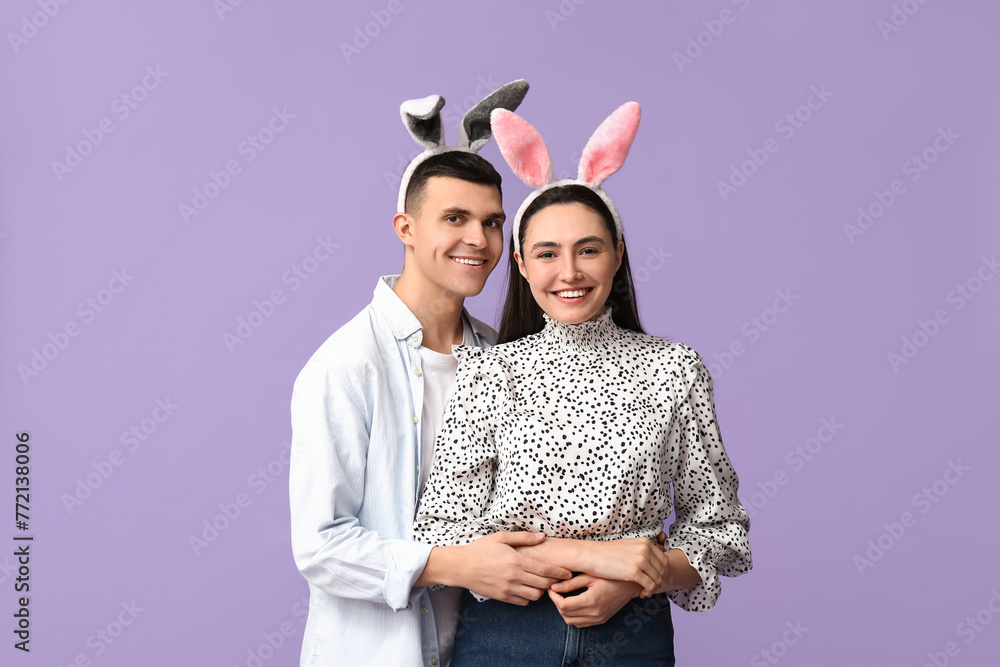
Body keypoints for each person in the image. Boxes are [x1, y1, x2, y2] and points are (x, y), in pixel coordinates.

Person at [413, 102, 752, 665]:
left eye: (588, 250)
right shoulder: (487, 371)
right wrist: (608, 558)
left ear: (617, 256)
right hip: (506, 638)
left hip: (632, 638)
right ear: (522, 264)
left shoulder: (675, 370)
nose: (568, 273)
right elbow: (445, 527)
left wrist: (644, 574)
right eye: (547, 254)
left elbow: (721, 528)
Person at [289, 80, 582, 667]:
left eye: (494, 222)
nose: (479, 239)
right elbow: (321, 546)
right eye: (455, 217)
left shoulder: (506, 359)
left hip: (494, 649)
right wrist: (456, 562)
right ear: (406, 228)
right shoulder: (346, 364)